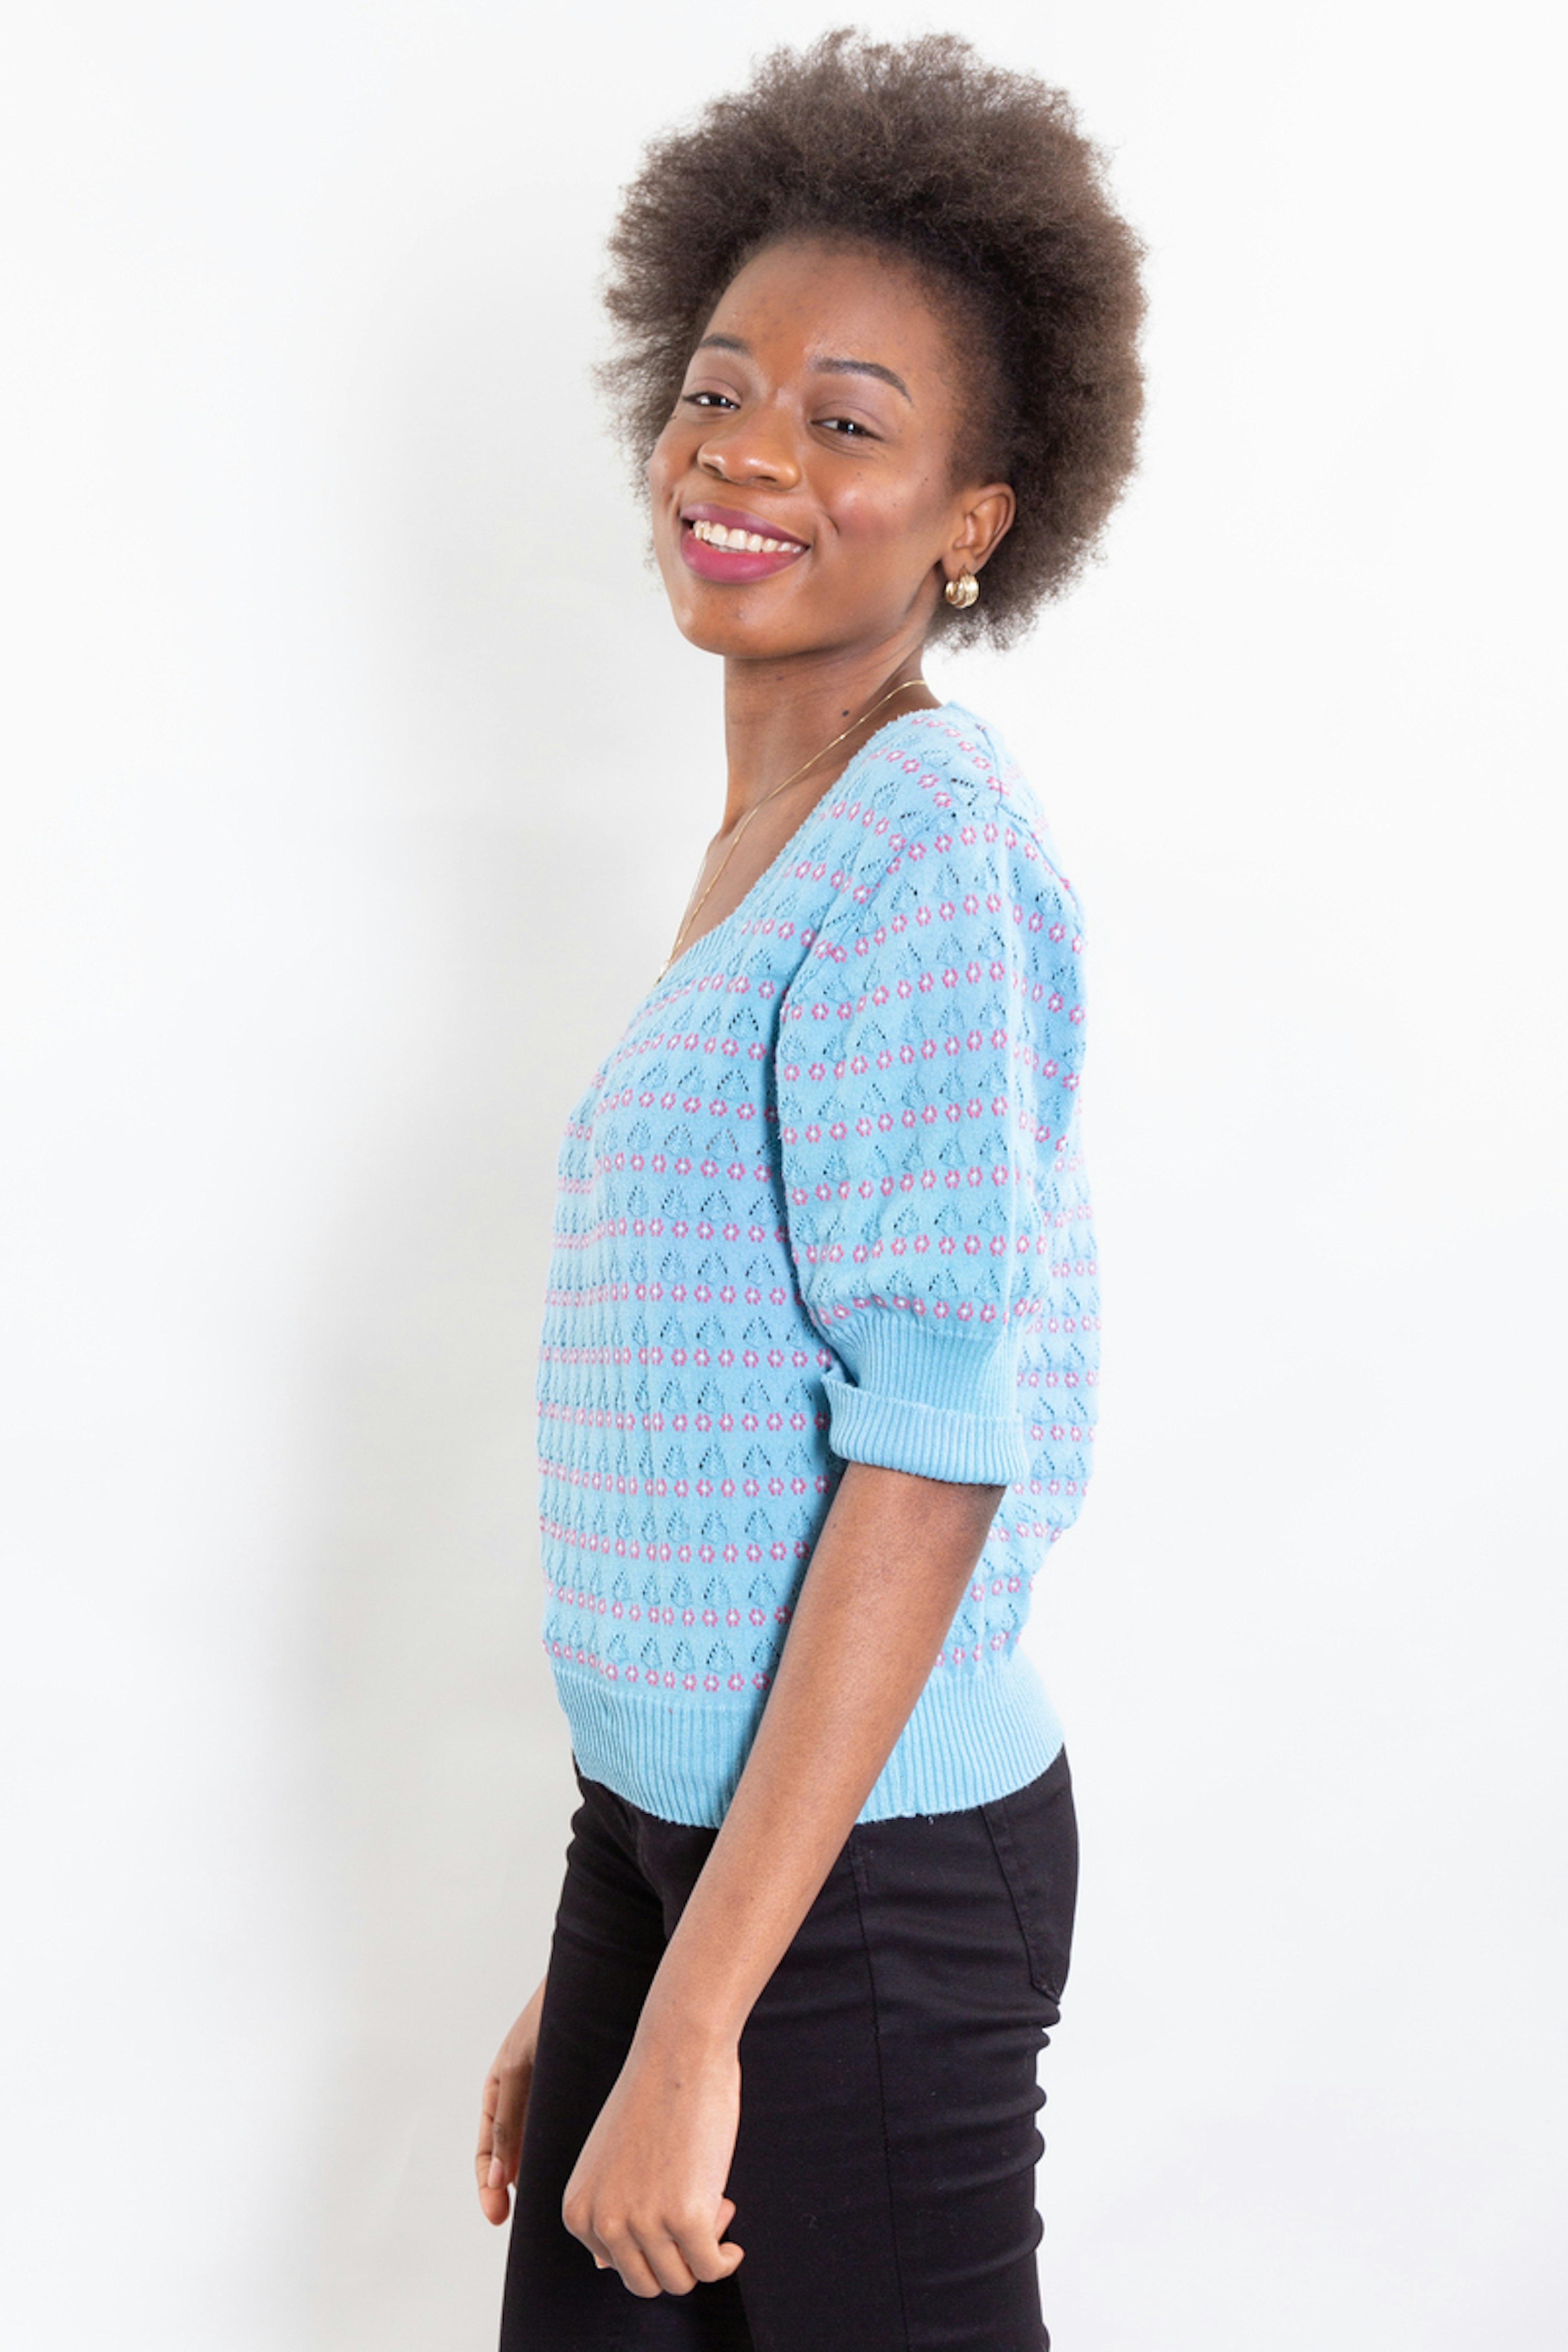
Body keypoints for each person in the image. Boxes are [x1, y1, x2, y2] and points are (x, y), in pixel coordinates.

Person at [475, 31, 1144, 2350]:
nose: (748, 452)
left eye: (850, 423)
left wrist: (692, 2026)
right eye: (718, 390)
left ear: (974, 517)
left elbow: (930, 1460)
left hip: (870, 1903)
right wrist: (614, 1960)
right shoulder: (788, 836)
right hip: (680, 1849)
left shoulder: (928, 854)